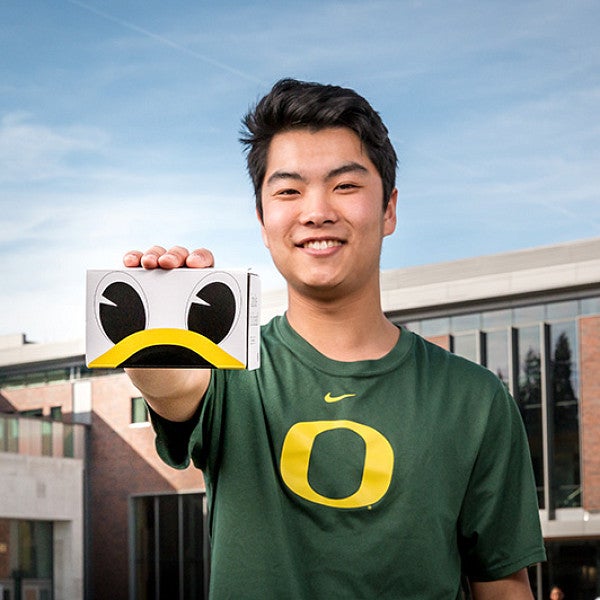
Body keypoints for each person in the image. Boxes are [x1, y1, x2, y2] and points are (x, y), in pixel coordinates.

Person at [123, 78, 546, 599]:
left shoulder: (475, 399)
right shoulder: (228, 369)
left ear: (389, 209)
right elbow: (171, 387)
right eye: (288, 190)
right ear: (262, 218)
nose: (317, 210)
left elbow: (502, 585)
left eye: (345, 186)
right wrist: (156, 342)